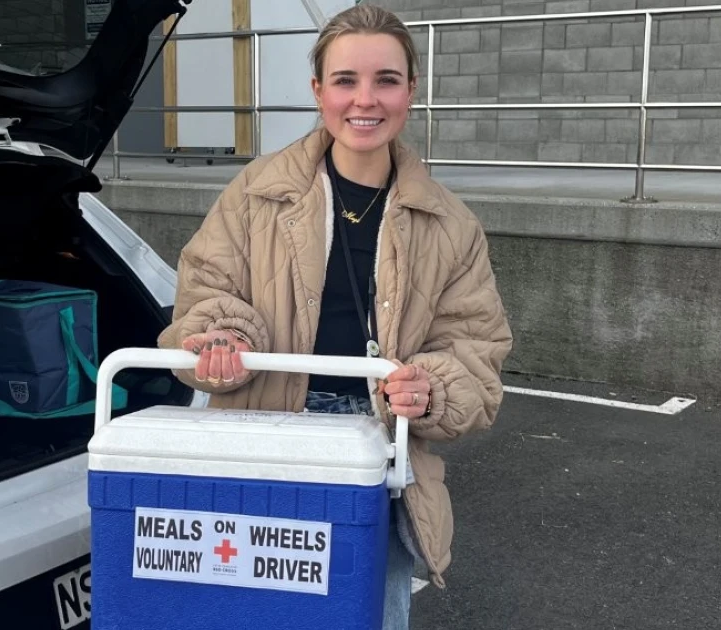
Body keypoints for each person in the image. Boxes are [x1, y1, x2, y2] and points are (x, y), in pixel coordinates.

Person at [157, 4, 513, 628]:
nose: (364, 100)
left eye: (386, 80)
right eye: (346, 80)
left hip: (376, 452)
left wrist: (430, 389)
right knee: (254, 616)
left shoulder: (452, 226)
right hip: (263, 441)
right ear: (318, 89)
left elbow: (476, 356)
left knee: (366, 616)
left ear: (411, 90)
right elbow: (203, 297)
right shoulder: (254, 194)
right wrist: (222, 339)